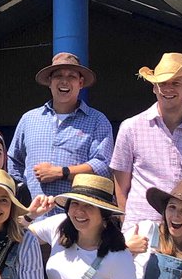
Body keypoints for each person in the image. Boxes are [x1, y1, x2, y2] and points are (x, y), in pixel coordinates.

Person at [111, 52, 182, 229]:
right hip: (141, 228)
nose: (168, 89)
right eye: (162, 83)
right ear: (154, 88)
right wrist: (127, 225)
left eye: (175, 83)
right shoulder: (130, 127)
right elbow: (120, 187)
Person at [7, 52, 113, 205]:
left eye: (71, 76)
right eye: (58, 76)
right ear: (50, 82)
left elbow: (103, 166)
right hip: (33, 214)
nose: (64, 81)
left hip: (76, 214)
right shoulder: (29, 119)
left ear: (81, 83)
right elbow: (14, 161)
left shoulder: (97, 121)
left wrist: (61, 172)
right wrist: (20, 195)